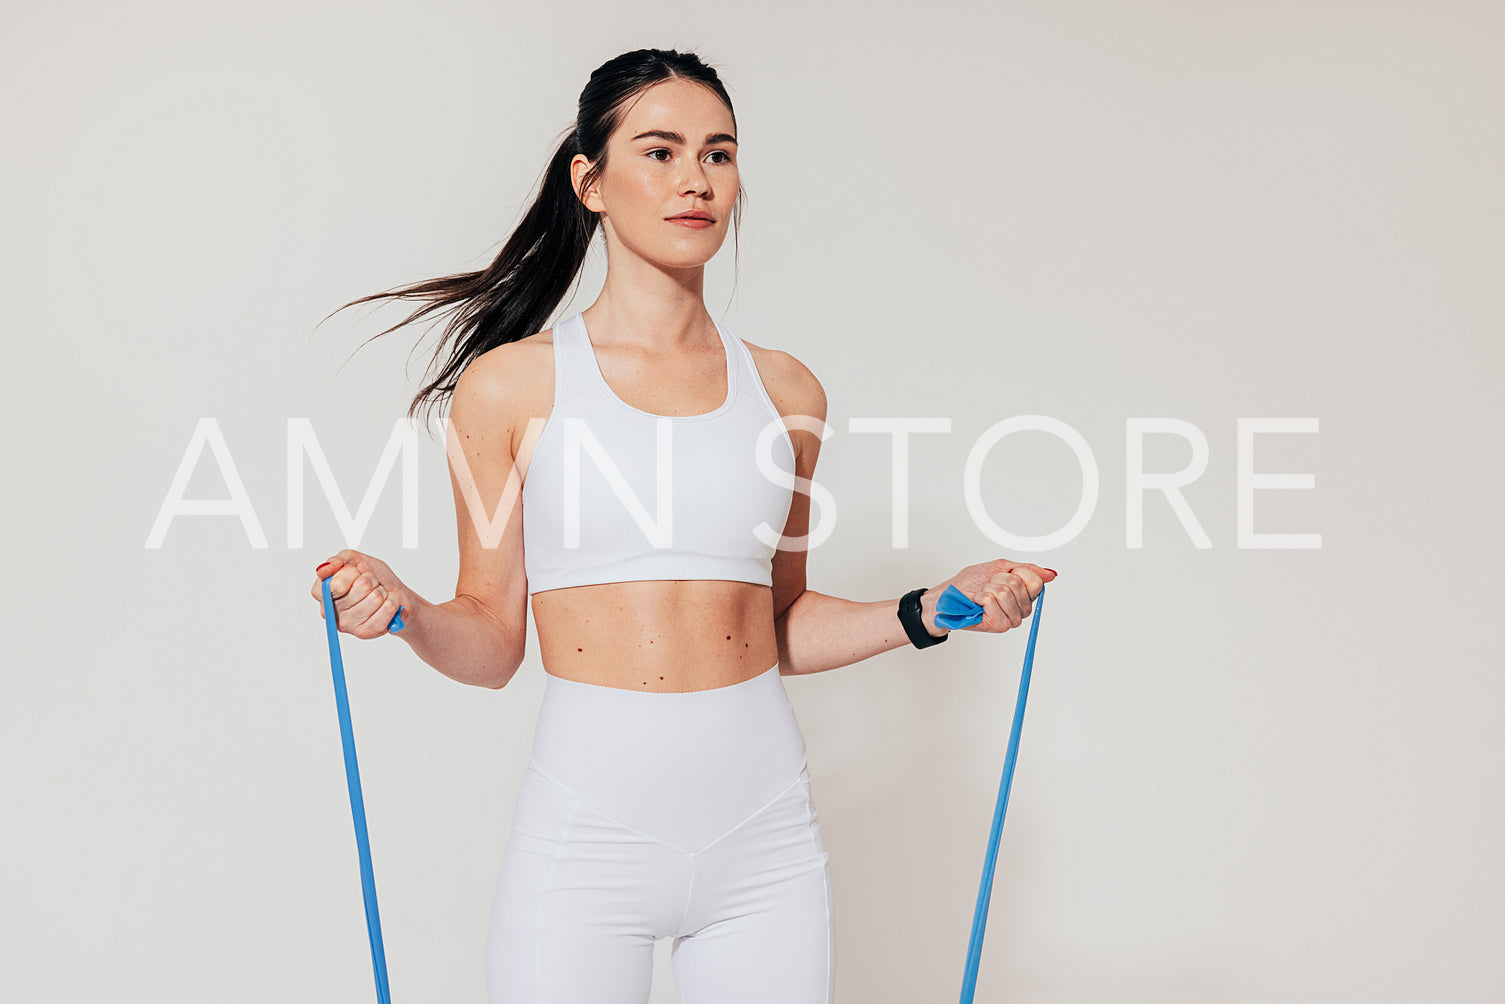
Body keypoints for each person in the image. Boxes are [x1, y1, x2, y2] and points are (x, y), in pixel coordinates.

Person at [309, 47, 1057, 1004]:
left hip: (766, 842)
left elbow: (777, 623)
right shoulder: (510, 386)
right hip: (585, 840)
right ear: (591, 180)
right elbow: (493, 642)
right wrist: (403, 607)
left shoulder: (787, 392)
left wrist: (926, 608)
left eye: (718, 154)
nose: (695, 180)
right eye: (659, 153)